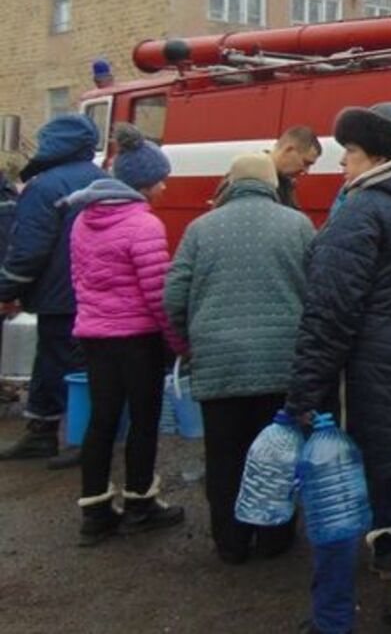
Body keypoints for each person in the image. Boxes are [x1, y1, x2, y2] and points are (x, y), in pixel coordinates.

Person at [287, 102, 391, 634]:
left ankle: (332, 619)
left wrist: (304, 398)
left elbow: (330, 313)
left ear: (378, 157)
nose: (342, 165)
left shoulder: (361, 210)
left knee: (336, 492)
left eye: (350, 154)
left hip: (366, 370)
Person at [163, 152, 316, 565]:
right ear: (271, 184)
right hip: (281, 362)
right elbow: (320, 290)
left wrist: (192, 339)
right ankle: (273, 537)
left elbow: (173, 295)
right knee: (278, 453)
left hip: (219, 363)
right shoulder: (298, 226)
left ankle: (230, 542)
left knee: (225, 455)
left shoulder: (200, 229)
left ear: (230, 182)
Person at [67, 123, 188, 545]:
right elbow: (159, 297)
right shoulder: (144, 226)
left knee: (101, 420)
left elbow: (78, 280)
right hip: (136, 339)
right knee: (143, 419)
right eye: (161, 181)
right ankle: (140, 502)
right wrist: (177, 344)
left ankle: (96, 510)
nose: (164, 188)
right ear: (143, 183)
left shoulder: (83, 220)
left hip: (94, 336)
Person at [0, 114, 102, 464]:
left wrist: (6, 288)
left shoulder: (45, 187)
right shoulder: (104, 180)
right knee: (87, 366)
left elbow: (29, 250)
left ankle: (49, 436)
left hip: (61, 296)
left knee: (55, 362)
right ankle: (84, 437)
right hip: (98, 294)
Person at [268, 126, 322, 209]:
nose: (305, 170)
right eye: (306, 163)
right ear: (289, 150)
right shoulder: (252, 178)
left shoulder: (285, 184)